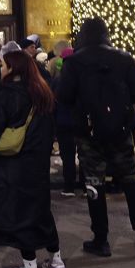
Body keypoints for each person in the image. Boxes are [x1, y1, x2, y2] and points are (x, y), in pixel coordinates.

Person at [57, 17, 135, 258]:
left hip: (89, 134)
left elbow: (64, 96)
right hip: (120, 132)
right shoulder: (123, 58)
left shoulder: (74, 62)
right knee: (131, 182)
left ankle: (101, 239)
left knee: (94, 184)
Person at [0, 50, 65, 268]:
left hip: (14, 165)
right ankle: (56, 260)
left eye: (3, 65)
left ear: (13, 69)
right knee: (41, 211)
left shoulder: (6, 96)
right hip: (38, 164)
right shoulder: (42, 93)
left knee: (22, 215)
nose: (0, 68)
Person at [51, 47, 82, 197]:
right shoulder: (82, 78)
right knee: (83, 155)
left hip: (64, 122)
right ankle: (85, 186)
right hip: (80, 122)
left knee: (68, 155)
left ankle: (69, 187)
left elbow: (53, 102)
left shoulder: (58, 80)